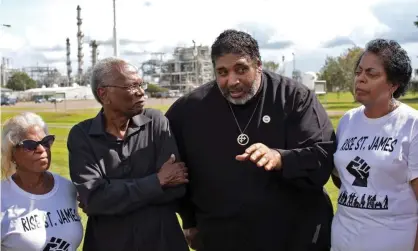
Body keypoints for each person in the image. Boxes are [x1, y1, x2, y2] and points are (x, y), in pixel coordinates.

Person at [166, 29, 336, 251]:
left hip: (295, 237)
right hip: (223, 238)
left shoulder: (294, 97)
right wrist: (188, 221)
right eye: (222, 72)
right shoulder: (188, 110)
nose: (232, 81)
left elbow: (322, 157)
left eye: (241, 69)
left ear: (258, 65)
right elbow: (173, 171)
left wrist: (281, 158)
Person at [67, 58, 189, 251]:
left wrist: (112, 195)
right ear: (103, 93)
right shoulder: (82, 135)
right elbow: (95, 200)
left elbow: (177, 188)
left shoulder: (156, 122)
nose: (141, 92)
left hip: (162, 241)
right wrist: (157, 181)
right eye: (132, 86)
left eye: (141, 84)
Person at [331, 39, 418, 251]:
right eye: (359, 72)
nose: (360, 79)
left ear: (393, 84)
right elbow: (342, 180)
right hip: (343, 241)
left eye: (372, 74)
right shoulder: (347, 121)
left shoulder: (411, 124)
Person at [1, 112, 83, 251]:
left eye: (46, 142)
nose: (42, 149)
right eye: (30, 145)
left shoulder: (67, 188)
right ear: (12, 152)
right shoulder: (2, 198)